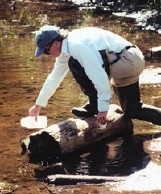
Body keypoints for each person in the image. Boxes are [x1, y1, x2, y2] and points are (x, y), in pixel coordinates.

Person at [29, 25, 161, 127]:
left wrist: (102, 108)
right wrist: (38, 105)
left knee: (74, 63)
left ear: (56, 43)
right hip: (131, 59)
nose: (47, 54)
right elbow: (54, 78)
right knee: (133, 109)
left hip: (126, 60)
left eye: (46, 50)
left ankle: (94, 104)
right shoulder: (68, 46)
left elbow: (98, 75)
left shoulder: (77, 45)